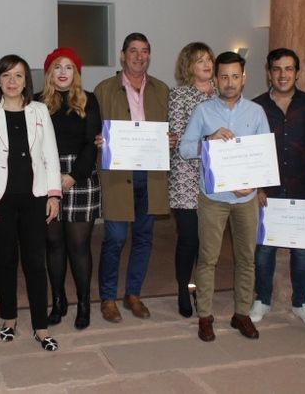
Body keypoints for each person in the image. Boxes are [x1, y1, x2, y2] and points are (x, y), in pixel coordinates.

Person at [179, 51, 269, 342]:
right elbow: (184, 149)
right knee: (208, 259)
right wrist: (207, 140)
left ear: (244, 78)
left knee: (246, 259)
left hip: (245, 199)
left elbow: (264, 156)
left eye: (235, 76)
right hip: (213, 198)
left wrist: (253, 185)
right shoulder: (203, 111)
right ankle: (205, 317)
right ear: (215, 80)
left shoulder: (256, 112)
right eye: (224, 76)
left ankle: (241, 314)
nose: (230, 82)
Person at [0, 54, 61, 351]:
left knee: (36, 262)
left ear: (26, 81)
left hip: (35, 198)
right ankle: (9, 318)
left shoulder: (40, 111)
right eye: (6, 75)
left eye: (18, 76)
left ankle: (41, 327)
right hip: (1, 200)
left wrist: (53, 194)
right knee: (6, 260)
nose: (12, 81)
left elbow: (50, 155)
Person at [95, 32, 173, 323]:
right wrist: (98, 140)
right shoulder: (104, 89)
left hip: (151, 175)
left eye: (144, 51)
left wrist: (171, 138)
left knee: (143, 238)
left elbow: (170, 127)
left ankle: (133, 294)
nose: (139, 56)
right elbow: (93, 129)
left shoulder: (162, 89)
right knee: (115, 239)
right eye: (133, 51)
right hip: (118, 175)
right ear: (122, 55)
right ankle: (107, 297)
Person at [250, 48, 305, 327]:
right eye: (277, 69)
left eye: (289, 69)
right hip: (267, 191)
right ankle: (262, 299)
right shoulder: (255, 107)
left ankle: (301, 302)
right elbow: (250, 151)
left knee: (302, 251)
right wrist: (256, 187)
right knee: (264, 250)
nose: (283, 75)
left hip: (303, 189)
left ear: (297, 72)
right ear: (268, 73)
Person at [38, 47, 102, 330]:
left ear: (76, 72)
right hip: (45, 176)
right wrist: (52, 178)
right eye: (57, 67)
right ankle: (58, 301)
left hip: (81, 177)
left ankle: (84, 304)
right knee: (53, 244)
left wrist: (73, 176)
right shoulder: (37, 102)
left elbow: (91, 142)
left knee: (79, 246)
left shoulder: (89, 99)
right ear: (49, 72)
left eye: (68, 67)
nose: (62, 72)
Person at [168, 42, 216, 318]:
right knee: (188, 239)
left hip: (216, 178)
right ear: (189, 66)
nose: (207, 64)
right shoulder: (179, 95)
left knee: (209, 241)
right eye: (200, 60)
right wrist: (209, 141)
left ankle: (202, 288)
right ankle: (183, 288)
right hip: (186, 177)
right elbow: (177, 137)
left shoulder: (222, 93)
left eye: (208, 59)